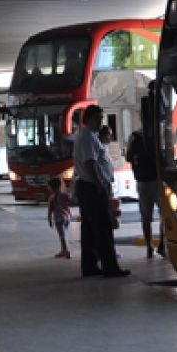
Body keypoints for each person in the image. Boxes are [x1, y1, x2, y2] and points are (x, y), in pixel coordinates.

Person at [72, 105, 128, 278]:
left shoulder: (88, 135)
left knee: (90, 229)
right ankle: (110, 266)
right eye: (97, 118)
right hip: (92, 187)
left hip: (87, 186)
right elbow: (90, 163)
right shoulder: (88, 137)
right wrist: (99, 183)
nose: (100, 122)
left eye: (101, 118)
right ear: (88, 119)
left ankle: (89, 265)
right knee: (103, 228)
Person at [128, 128, 164, 259]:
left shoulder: (134, 136)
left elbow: (129, 157)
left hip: (142, 182)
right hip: (156, 181)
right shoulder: (156, 134)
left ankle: (149, 246)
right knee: (164, 214)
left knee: (145, 217)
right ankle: (162, 245)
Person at [46, 178, 72, 259]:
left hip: (59, 219)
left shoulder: (52, 198)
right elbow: (70, 203)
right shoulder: (65, 195)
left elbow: (50, 210)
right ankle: (63, 250)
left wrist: (49, 220)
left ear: (51, 187)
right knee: (64, 234)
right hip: (67, 218)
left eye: (49, 187)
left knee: (62, 236)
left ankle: (66, 251)